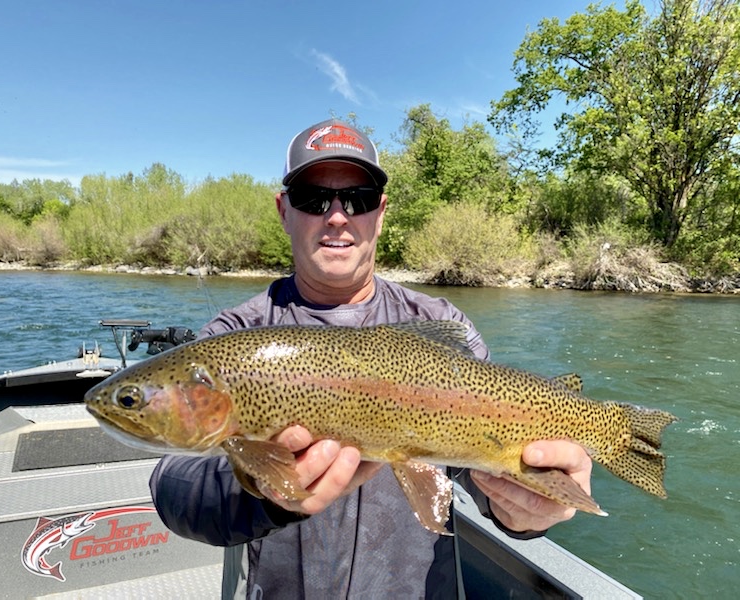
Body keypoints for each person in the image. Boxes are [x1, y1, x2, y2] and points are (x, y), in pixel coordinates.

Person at [149, 118, 593, 599]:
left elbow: (488, 474)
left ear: (379, 213)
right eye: (313, 198)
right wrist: (268, 491)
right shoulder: (237, 338)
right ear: (283, 211)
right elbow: (174, 487)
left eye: (357, 199)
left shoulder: (443, 324)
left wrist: (528, 512)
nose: (337, 216)